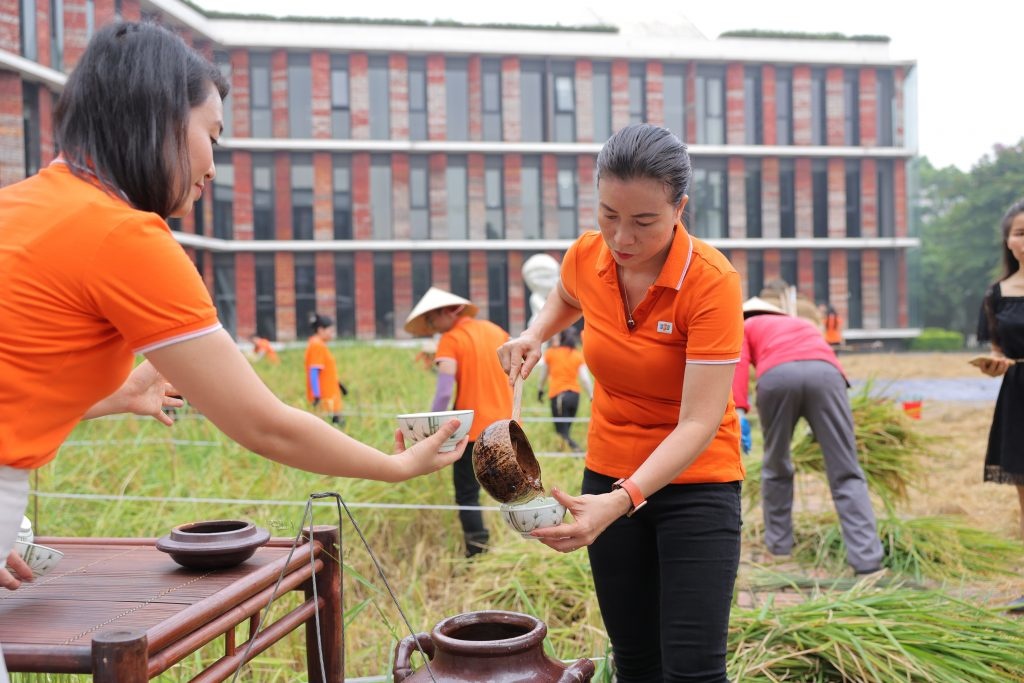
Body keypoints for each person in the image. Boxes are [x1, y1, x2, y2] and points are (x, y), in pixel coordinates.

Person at [0, 20, 465, 657]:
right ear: (160, 120)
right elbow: (263, 423)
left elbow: (16, 381)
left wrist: (117, 394)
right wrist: (395, 466)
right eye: (211, 137)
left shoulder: (19, 207)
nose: (213, 167)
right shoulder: (126, 235)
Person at [498, 124, 744, 683]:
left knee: (693, 671)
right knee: (635, 663)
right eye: (608, 214)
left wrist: (622, 499)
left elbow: (700, 421)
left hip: (695, 484)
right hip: (607, 469)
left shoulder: (711, 282)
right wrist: (535, 335)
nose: (621, 237)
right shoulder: (588, 256)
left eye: (643, 221)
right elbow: (565, 294)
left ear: (679, 207)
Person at [733, 297, 884, 576]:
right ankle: (867, 562)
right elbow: (820, 358)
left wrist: (739, 408)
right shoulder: (800, 323)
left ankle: (779, 549)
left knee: (776, 465)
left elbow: (739, 364)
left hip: (777, 378)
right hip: (826, 376)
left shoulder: (745, 325)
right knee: (846, 472)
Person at [405, 287, 513, 558]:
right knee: (514, 488)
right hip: (508, 427)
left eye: (432, 321)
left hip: (473, 432)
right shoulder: (496, 331)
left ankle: (477, 553)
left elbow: (443, 391)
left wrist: (432, 427)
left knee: (468, 496)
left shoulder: (451, 340)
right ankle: (522, 545)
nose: (432, 327)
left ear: (446, 313)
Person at [974, 198, 1024, 612]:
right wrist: (993, 367)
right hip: (1018, 395)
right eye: (1020, 232)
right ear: (1008, 242)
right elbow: (998, 353)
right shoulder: (996, 294)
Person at [536, 328, 593, 451]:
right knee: (566, 430)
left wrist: (540, 390)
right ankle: (563, 452)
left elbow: (543, 375)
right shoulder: (577, 354)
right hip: (574, 397)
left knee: (562, 432)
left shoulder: (551, 353)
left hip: (559, 396)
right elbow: (585, 379)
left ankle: (577, 451)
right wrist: (591, 396)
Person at [305, 313, 345, 426]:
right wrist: (317, 396)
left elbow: (325, 371)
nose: (332, 334)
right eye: (330, 330)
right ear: (321, 330)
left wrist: (339, 385)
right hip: (326, 401)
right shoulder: (317, 345)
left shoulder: (319, 344)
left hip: (330, 398)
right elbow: (314, 372)